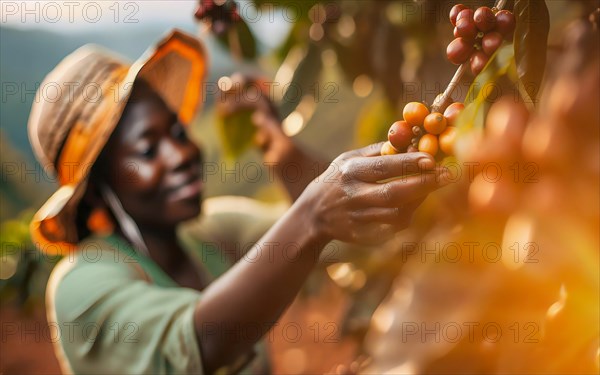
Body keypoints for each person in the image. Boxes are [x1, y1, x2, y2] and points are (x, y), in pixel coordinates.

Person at [29, 29, 447, 374]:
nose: (181, 155)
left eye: (176, 133)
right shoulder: (80, 286)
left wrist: (286, 157)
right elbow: (202, 342)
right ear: (99, 188)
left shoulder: (208, 232)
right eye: (147, 150)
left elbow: (339, 237)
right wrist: (314, 212)